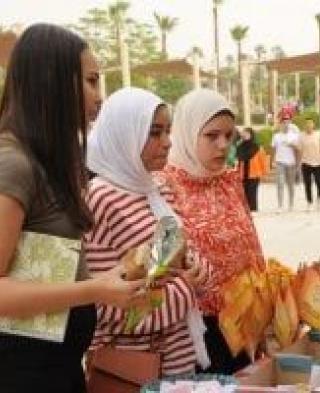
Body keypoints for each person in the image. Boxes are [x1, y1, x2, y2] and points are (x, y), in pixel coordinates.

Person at [0, 24, 144, 393]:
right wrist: (95, 290)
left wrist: (114, 274)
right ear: (52, 82)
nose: (100, 96)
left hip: (54, 367)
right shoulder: (13, 164)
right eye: (91, 81)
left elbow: (43, 266)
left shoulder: (45, 161)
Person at [84, 87, 208, 378]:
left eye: (168, 131)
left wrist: (199, 271)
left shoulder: (158, 188)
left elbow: (182, 258)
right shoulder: (101, 198)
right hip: (131, 371)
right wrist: (185, 290)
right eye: (154, 133)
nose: (167, 143)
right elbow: (106, 309)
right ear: (124, 135)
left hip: (178, 363)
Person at [160, 89, 265, 375]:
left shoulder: (229, 181)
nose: (223, 145)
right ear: (187, 132)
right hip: (196, 331)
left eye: (229, 136)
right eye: (211, 135)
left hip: (245, 323)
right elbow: (161, 264)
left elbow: (252, 246)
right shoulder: (164, 185)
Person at [271, 114, 300, 212]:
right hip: (280, 162)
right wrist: (272, 161)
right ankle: (280, 205)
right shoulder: (276, 136)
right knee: (280, 183)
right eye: (284, 122)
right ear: (281, 124)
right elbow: (273, 149)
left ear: (290, 123)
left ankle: (291, 204)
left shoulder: (294, 136)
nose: (286, 124)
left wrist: (293, 146)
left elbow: (299, 150)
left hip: (291, 162)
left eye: (288, 122)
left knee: (290, 184)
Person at [298, 117, 320, 211]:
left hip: (318, 162)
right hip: (306, 163)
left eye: (310, 124)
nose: (309, 126)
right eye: (307, 124)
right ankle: (309, 202)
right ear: (305, 125)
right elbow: (299, 150)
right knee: (307, 184)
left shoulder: (318, 135)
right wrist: (298, 162)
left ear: (313, 125)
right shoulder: (301, 136)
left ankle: (319, 199)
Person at [236, 127, 268, 212]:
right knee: (244, 193)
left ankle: (253, 209)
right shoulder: (239, 147)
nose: (245, 135)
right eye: (244, 133)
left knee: (252, 193)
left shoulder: (257, 147)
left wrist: (264, 173)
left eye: (247, 133)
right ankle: (245, 210)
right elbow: (238, 162)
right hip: (242, 174)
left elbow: (263, 160)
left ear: (251, 135)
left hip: (254, 174)